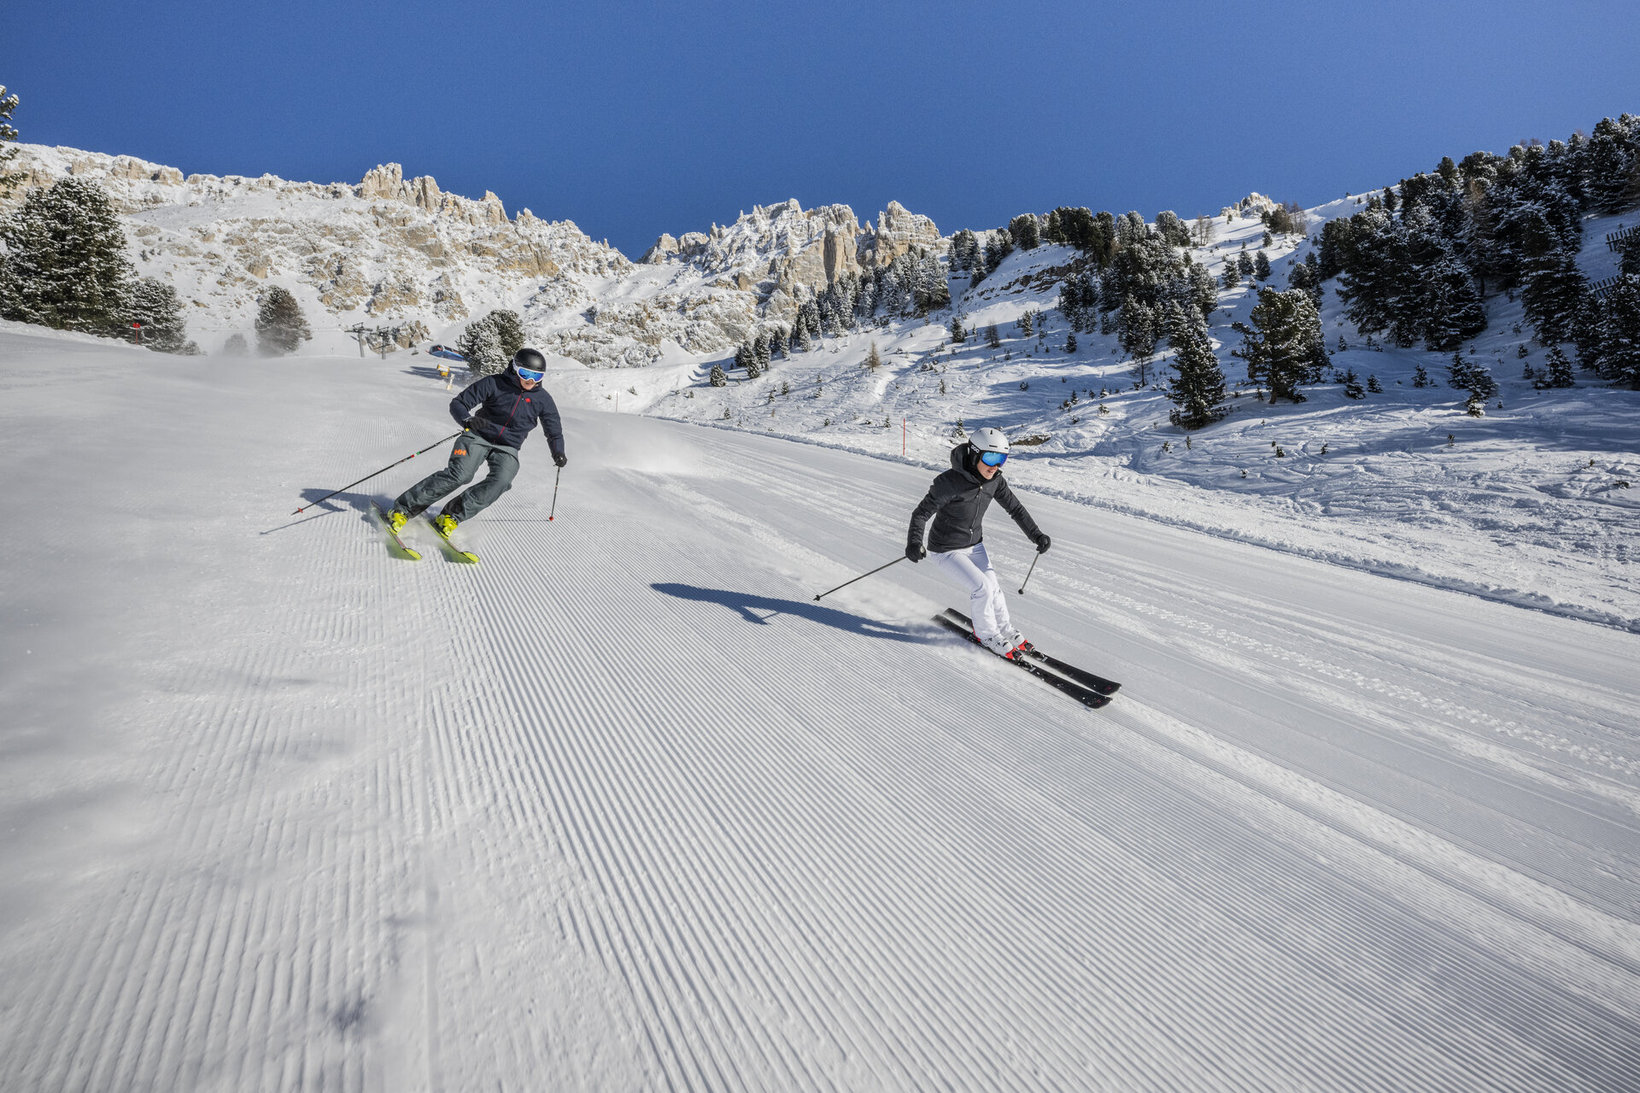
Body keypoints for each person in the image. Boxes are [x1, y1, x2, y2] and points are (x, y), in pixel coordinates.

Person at [387, 347, 567, 534]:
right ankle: (403, 509)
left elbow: (554, 430)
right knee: (461, 475)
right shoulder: (494, 383)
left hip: (508, 447)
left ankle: (450, 516)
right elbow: (459, 403)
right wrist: (467, 420)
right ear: (515, 368)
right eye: (526, 373)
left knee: (502, 481)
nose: (530, 381)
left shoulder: (543, 399)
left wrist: (558, 451)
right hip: (478, 435)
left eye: (536, 377)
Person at [905, 427, 1050, 658]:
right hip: (945, 549)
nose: (995, 466)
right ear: (974, 454)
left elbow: (1016, 509)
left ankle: (1005, 629)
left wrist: (1036, 535)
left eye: (1001, 459)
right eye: (991, 457)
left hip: (974, 546)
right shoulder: (949, 482)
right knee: (981, 588)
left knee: (994, 589)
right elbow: (921, 513)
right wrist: (914, 542)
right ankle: (987, 634)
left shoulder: (995, 481)